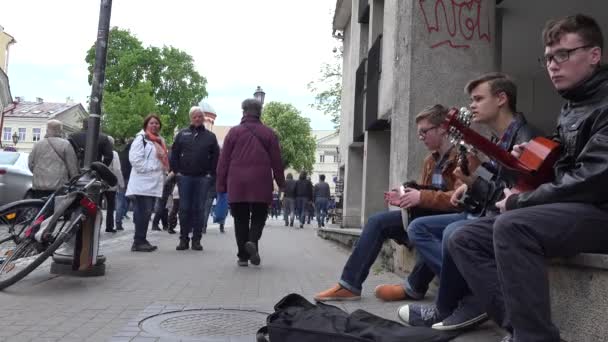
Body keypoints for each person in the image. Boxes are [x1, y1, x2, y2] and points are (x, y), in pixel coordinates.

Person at [448, 15, 608, 342]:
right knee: (462, 237)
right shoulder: (571, 105)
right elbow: (567, 165)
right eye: (548, 57)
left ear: (594, 55)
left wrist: (520, 200)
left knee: (512, 224)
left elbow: (593, 178)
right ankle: (523, 329)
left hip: (600, 211)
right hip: (578, 209)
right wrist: (531, 156)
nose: (553, 65)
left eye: (563, 54)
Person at [398, 73, 540, 331]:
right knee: (421, 228)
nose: (471, 105)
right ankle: (455, 303)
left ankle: (462, 303)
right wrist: (468, 185)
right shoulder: (499, 139)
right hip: (489, 213)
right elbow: (497, 185)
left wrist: (472, 184)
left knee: (455, 232)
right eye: (471, 100)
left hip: (511, 218)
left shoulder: (525, 139)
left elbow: (516, 193)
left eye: (478, 98)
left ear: (501, 99)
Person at [314, 104, 463, 302]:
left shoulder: (463, 157)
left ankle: (413, 287)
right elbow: (428, 195)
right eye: (419, 133)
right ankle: (349, 284)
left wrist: (421, 197)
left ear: (442, 129)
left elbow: (462, 200)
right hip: (429, 217)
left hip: (448, 221)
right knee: (377, 221)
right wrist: (406, 198)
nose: (421, 137)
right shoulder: (430, 161)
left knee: (433, 231)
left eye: (424, 132)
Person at [216, 98, 285, 267]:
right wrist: (282, 183)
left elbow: (223, 161)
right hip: (261, 182)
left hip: (237, 182)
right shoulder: (269, 133)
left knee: (240, 219)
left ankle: (242, 257)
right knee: (259, 216)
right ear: (259, 112)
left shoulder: (233, 133)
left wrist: (220, 185)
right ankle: (252, 242)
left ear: (243, 112)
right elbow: (277, 162)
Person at [171, 106, 220, 251]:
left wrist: (211, 174)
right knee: (184, 209)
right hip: (184, 177)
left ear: (204, 118)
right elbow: (174, 154)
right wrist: (177, 171)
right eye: (194, 116)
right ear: (190, 118)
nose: (197, 119)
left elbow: (216, 157)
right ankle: (183, 239)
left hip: (203, 178)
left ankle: (196, 240)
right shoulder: (182, 134)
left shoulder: (210, 137)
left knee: (199, 209)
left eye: (200, 116)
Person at [126, 114, 168, 252]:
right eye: (152, 123)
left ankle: (141, 239)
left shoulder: (158, 140)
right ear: (146, 125)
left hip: (151, 183)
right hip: (142, 183)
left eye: (157, 123)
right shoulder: (141, 139)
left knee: (146, 212)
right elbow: (135, 160)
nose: (155, 125)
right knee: (143, 212)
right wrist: (152, 168)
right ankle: (138, 241)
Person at [28, 120, 79, 199]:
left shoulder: (37, 144)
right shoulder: (66, 144)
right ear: (60, 131)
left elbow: (30, 164)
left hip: (39, 186)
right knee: (55, 210)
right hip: (58, 188)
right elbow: (72, 167)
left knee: (39, 208)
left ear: (47, 130)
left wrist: (39, 174)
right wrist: (74, 181)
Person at [105, 136, 124, 233]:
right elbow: (117, 169)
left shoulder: (99, 153)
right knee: (110, 206)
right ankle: (109, 226)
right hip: (110, 183)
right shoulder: (114, 154)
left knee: (95, 205)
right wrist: (121, 183)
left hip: (98, 182)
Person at [115, 138, 132, 231]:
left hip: (121, 179)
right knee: (135, 200)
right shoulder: (133, 155)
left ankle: (118, 221)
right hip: (131, 179)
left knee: (120, 200)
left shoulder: (121, 154)